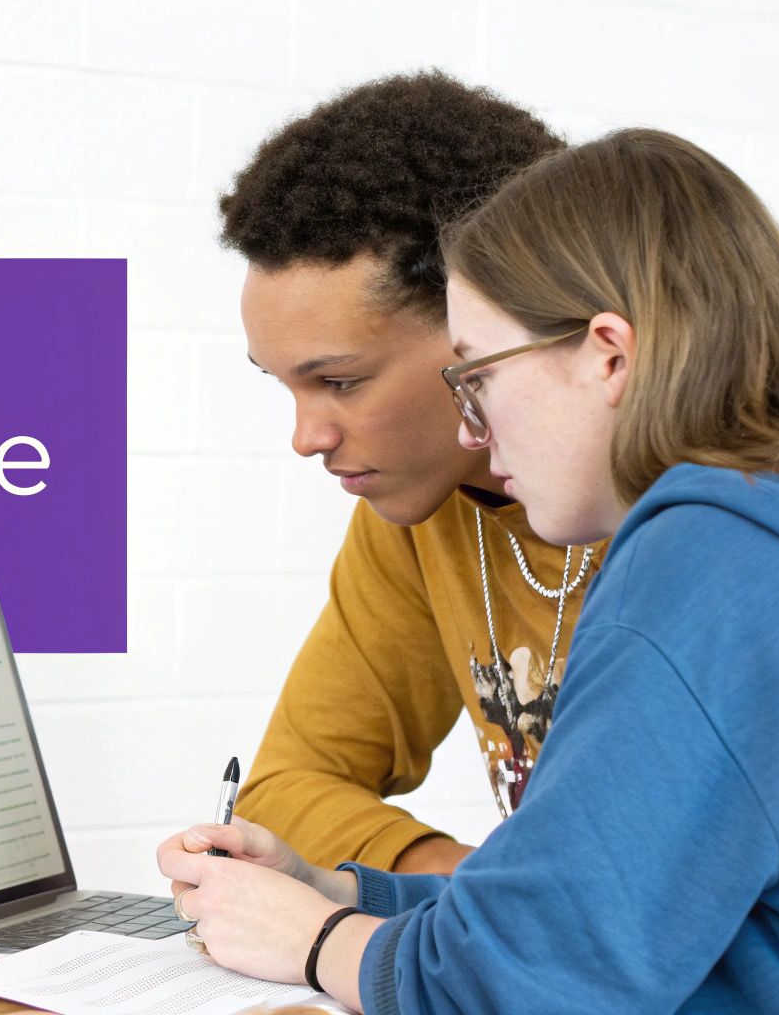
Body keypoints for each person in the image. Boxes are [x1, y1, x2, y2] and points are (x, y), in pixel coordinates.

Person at [158, 127, 779, 1013]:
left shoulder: (710, 567)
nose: (472, 432)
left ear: (609, 354)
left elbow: (532, 986)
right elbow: (629, 916)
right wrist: (367, 899)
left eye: (479, 376)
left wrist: (323, 941)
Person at [221, 71, 606, 875]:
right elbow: (286, 791)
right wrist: (478, 895)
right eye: (283, 382)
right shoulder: (419, 513)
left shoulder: (716, 527)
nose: (306, 437)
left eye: (341, 381)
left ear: (485, 326)